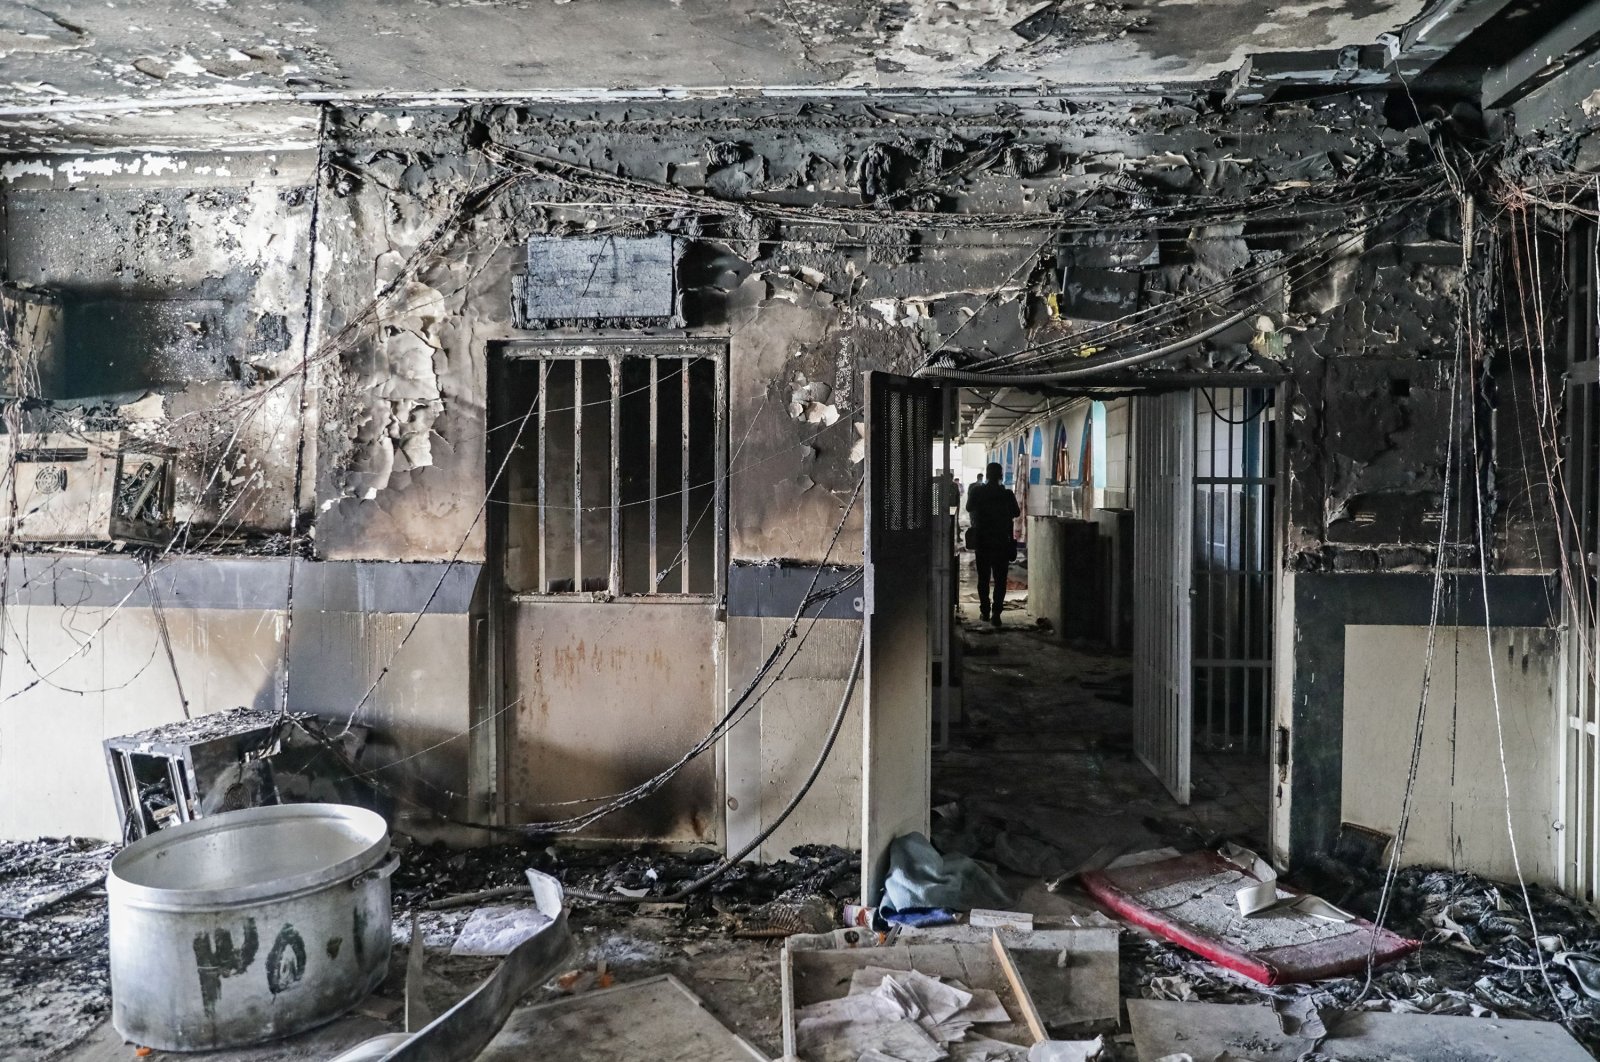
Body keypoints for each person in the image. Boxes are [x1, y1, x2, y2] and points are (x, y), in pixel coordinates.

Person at [965, 462, 1020, 628]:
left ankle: (985, 611)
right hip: (1001, 541)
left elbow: (968, 507)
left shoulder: (977, 491)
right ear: (1001, 475)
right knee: (1000, 579)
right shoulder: (1007, 494)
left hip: (982, 540)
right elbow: (1016, 513)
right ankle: (996, 613)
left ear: (987, 475)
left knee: (983, 578)